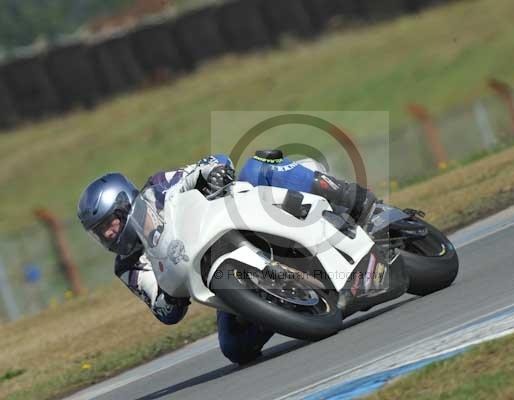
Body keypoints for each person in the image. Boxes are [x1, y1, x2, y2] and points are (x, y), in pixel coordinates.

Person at [77, 150, 376, 364]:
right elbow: (162, 308)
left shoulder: (158, 189)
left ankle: (353, 200)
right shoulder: (127, 266)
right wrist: (170, 299)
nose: (108, 235)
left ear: (124, 205)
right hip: (219, 272)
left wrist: (214, 171)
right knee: (235, 347)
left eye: (109, 224)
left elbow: (205, 166)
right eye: (99, 232)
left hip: (239, 217)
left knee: (256, 167)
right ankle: (295, 303)